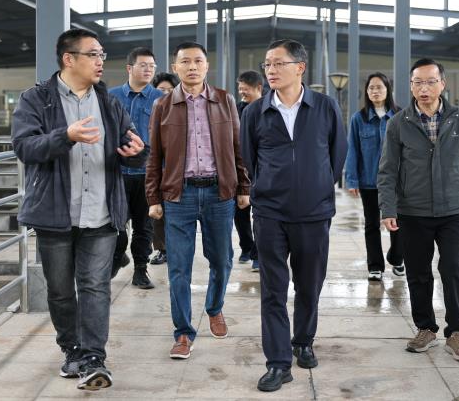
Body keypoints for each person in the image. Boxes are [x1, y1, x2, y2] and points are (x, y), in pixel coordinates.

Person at [12, 28, 148, 390]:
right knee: (60, 290)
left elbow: (132, 145)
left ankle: (93, 358)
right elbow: (24, 147)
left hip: (100, 213)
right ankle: (71, 349)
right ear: (68, 59)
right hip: (55, 213)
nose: (101, 61)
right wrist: (66, 136)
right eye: (93, 54)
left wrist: (138, 153)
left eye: (102, 54)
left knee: (95, 287)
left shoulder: (109, 103)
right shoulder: (36, 100)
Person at [240, 39, 346, 392]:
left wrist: (317, 186)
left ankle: (303, 341)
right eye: (267, 64)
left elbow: (337, 155)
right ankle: (278, 362)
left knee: (309, 284)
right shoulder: (254, 112)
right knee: (273, 289)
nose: (270, 70)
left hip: (314, 213)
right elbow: (249, 159)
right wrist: (269, 188)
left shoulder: (325, 107)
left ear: (300, 67)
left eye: (278, 63)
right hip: (270, 213)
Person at [145, 41, 250, 360]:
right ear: (175, 67)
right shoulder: (163, 105)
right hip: (179, 195)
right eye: (185, 61)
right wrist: (153, 196)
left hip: (219, 193)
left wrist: (243, 186)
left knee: (222, 259)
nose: (192, 66)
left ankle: (214, 308)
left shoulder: (224, 100)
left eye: (198, 61)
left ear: (207, 65)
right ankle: (182, 333)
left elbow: (238, 147)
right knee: (179, 266)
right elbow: (154, 155)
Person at [378, 58, 459, 363]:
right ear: (410, 86)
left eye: (430, 82)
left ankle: (456, 332)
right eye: (418, 82)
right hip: (413, 210)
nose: (424, 88)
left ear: (442, 84)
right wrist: (388, 208)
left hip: (453, 209)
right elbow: (388, 170)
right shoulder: (399, 123)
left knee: (453, 268)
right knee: (418, 272)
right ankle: (425, 328)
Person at [108, 47, 163, 289]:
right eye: (143, 65)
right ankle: (117, 256)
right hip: (116, 173)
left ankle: (141, 270)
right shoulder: (111, 97)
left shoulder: (161, 99)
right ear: (129, 68)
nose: (149, 69)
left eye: (152, 66)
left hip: (147, 175)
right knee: (114, 225)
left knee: (144, 226)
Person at [344, 72, 404, 282]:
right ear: (367, 92)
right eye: (371, 88)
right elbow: (353, 150)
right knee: (371, 224)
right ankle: (375, 266)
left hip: (396, 182)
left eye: (379, 87)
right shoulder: (358, 119)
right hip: (369, 181)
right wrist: (352, 179)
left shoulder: (400, 116)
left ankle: (397, 258)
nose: (375, 91)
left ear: (388, 90)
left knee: (399, 222)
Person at [148, 72, 181, 266]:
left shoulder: (182, 109)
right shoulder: (153, 107)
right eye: (161, 90)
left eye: (170, 90)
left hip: (176, 170)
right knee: (157, 214)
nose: (166, 93)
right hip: (154, 168)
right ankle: (162, 249)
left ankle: (177, 249)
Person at [235, 70, 264, 271]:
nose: (242, 92)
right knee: (240, 213)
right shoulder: (237, 109)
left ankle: (257, 254)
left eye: (246, 89)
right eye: (240, 89)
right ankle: (246, 247)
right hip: (239, 169)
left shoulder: (268, 109)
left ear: (258, 88)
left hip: (261, 169)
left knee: (260, 215)